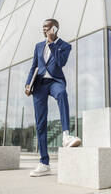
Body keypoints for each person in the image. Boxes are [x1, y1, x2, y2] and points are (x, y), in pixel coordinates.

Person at [25, 18, 81, 177]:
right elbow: (34, 67)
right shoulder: (38, 46)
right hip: (39, 85)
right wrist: (28, 84)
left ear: (54, 29)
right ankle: (44, 163)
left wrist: (52, 43)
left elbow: (61, 62)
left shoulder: (65, 46)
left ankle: (66, 135)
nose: (43, 29)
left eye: (46, 27)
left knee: (62, 94)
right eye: (42, 27)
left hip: (55, 81)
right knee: (40, 124)